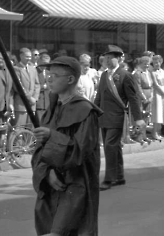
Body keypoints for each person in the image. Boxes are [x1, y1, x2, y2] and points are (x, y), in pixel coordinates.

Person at [32, 56, 103, 236]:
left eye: (55, 75)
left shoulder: (85, 111)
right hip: (51, 186)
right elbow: (40, 152)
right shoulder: (52, 109)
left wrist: (51, 135)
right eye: (48, 74)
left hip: (76, 187)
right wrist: (46, 172)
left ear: (70, 79)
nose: (49, 78)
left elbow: (79, 152)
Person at [94, 45, 143, 191]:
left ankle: (109, 179)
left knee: (109, 146)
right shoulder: (104, 75)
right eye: (106, 58)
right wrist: (93, 112)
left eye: (111, 58)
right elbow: (99, 97)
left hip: (117, 116)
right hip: (103, 115)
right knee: (114, 147)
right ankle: (120, 176)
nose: (107, 61)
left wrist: (138, 118)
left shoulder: (125, 75)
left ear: (120, 58)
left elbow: (133, 99)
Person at [14, 48, 40, 127]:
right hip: (21, 105)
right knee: (19, 130)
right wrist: (29, 98)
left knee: (30, 130)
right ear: (21, 56)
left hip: (32, 105)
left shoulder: (33, 69)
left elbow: (37, 84)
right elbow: (18, 86)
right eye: (27, 57)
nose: (29, 58)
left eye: (29, 57)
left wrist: (35, 98)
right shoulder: (16, 69)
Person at [150, 55, 164, 140]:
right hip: (157, 94)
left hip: (163, 93)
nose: (157, 64)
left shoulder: (162, 71)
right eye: (155, 62)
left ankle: (158, 131)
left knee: (162, 112)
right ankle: (154, 132)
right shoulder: (152, 72)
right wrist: (163, 93)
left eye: (158, 62)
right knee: (157, 113)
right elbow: (155, 85)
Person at [36, 51, 51, 121]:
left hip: (47, 103)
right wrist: (43, 87)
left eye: (47, 64)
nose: (45, 65)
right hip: (39, 103)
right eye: (44, 63)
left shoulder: (48, 72)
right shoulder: (35, 71)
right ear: (39, 61)